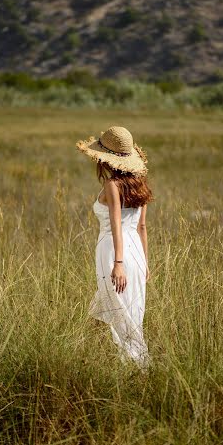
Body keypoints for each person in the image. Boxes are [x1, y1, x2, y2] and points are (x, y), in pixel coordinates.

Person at [76, 126, 154, 369]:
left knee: (121, 316)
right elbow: (141, 227)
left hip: (113, 252)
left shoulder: (112, 185)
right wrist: (145, 264)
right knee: (126, 312)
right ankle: (106, 361)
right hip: (137, 255)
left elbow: (117, 226)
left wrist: (118, 263)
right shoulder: (140, 184)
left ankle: (136, 367)